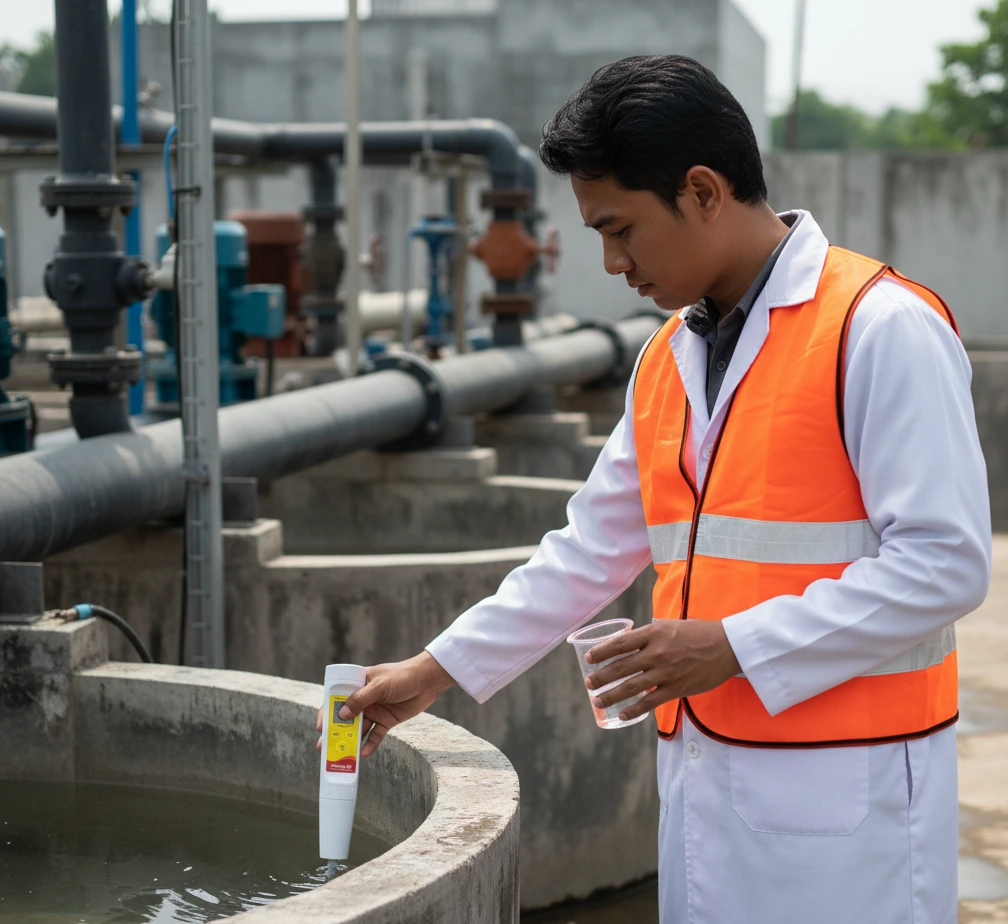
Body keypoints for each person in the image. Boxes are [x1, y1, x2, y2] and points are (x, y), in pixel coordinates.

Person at [317, 55, 991, 923]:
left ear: (704, 192)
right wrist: (435, 669)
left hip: (851, 803)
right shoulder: (668, 357)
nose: (610, 262)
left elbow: (946, 565)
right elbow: (590, 549)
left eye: (622, 228)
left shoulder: (880, 327)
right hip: (708, 788)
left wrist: (733, 646)